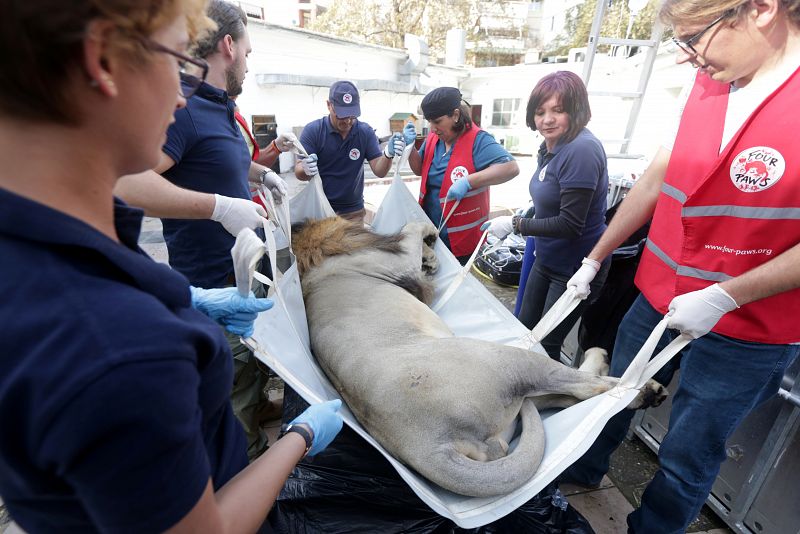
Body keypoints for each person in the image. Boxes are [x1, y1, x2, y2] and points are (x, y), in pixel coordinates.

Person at [0, 0, 344, 532]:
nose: (182, 95)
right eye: (178, 60)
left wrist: (182, 299)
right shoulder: (124, 354)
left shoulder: (38, 243)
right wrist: (298, 438)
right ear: (103, 63)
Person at [558, 1, 800, 531]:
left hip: (747, 327)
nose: (688, 58)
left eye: (694, 38)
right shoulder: (713, 81)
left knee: (688, 450)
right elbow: (655, 179)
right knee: (612, 397)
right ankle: (580, 474)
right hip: (658, 296)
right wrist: (595, 259)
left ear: (759, 10)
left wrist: (725, 296)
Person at [115, 0, 287, 459]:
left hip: (244, 277)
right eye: (248, 53)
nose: (249, 65)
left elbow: (213, 160)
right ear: (228, 46)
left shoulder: (220, 108)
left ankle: (253, 425)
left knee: (250, 373)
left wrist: (258, 175)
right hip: (212, 284)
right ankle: (243, 476)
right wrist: (219, 207)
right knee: (231, 398)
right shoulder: (185, 110)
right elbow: (128, 181)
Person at [483, 72, 610, 359]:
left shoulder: (581, 150)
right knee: (523, 330)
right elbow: (550, 197)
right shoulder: (549, 146)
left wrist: (515, 224)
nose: (547, 120)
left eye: (558, 110)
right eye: (540, 112)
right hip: (547, 258)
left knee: (546, 345)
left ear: (576, 110)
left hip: (575, 267)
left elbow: (570, 224)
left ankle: (543, 401)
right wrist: (528, 212)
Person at [406, 87, 519, 264]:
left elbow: (511, 167)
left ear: (456, 115)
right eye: (429, 122)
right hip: (431, 231)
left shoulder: (478, 140)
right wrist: (410, 148)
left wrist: (468, 181)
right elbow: (419, 169)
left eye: (437, 121)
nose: (432, 128)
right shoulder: (434, 139)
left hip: (460, 239)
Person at [294, 80, 405, 222]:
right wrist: (305, 168)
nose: (347, 121)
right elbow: (299, 172)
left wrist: (388, 155)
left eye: (352, 116)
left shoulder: (364, 132)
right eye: (341, 115)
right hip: (320, 209)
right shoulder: (313, 131)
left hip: (353, 212)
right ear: (329, 105)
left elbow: (380, 171)